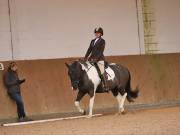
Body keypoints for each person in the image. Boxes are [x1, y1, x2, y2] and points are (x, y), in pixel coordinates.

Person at [84, 27, 108, 92]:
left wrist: (96, 59)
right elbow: (89, 49)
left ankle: (106, 86)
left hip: (100, 59)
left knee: (101, 71)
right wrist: (85, 57)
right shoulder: (92, 41)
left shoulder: (102, 41)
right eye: (96, 33)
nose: (97, 34)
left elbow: (101, 51)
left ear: (101, 34)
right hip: (91, 58)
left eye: (98, 33)